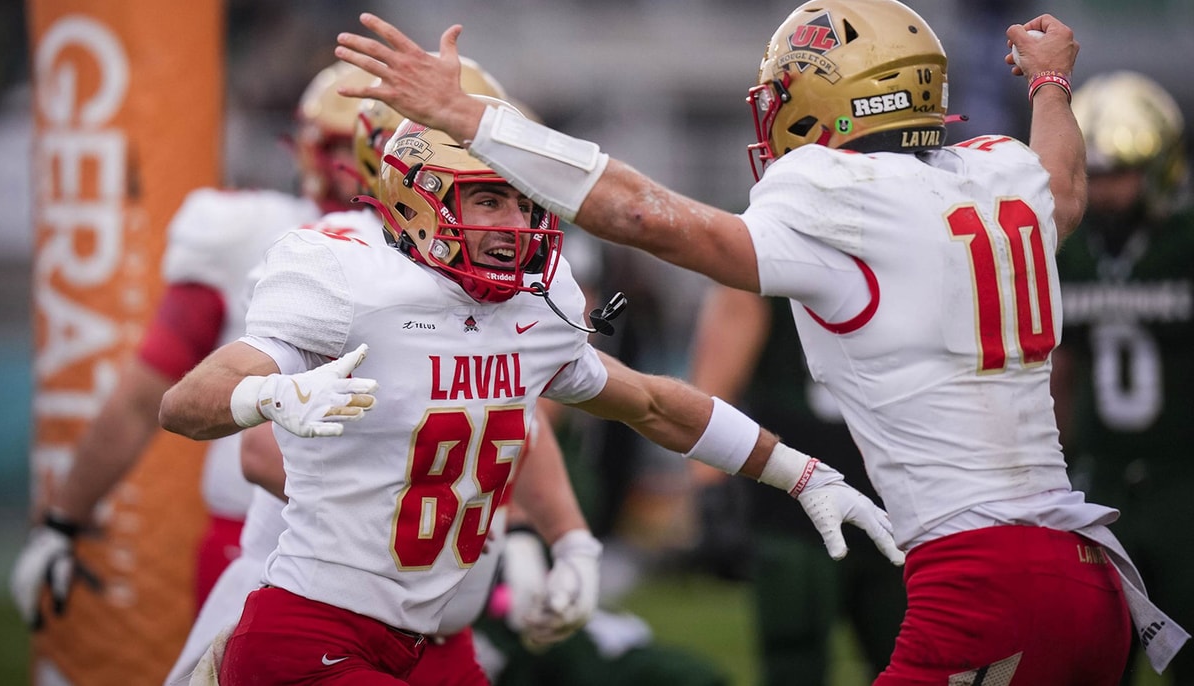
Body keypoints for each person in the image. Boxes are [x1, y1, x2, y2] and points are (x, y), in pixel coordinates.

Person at [333, 1, 1190, 682]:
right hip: (1089, 576)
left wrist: (471, 119)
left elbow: (649, 219)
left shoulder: (837, 189)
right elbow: (1063, 189)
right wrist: (1050, 86)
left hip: (983, 576)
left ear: (832, 96)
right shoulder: (998, 170)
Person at [156, 93, 900, 683]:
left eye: (528, 204)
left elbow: (650, 403)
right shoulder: (350, 281)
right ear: (421, 199)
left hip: (431, 642)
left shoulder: (534, 310)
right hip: (313, 630)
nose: (518, 225)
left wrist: (798, 473)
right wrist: (266, 397)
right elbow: (181, 406)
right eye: (489, 201)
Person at [166, 67, 571, 686]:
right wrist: (431, 524)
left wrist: (554, 536)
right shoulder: (343, 261)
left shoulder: (484, 275)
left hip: (428, 617)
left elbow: (514, 407)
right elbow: (252, 444)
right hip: (318, 601)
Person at [8, 59, 374, 631]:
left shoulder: (454, 266)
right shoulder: (258, 234)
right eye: (351, 148)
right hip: (270, 534)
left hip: (418, 542)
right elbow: (143, 397)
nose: (365, 168)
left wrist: (519, 528)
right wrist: (63, 519)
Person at [1051, 71, 1194, 684]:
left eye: (1121, 174)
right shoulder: (1068, 253)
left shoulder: (1184, 245)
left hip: (1183, 481)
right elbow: (1057, 373)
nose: (1106, 191)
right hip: (1099, 485)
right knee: (1092, 660)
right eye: (1098, 174)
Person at [687, 285, 904, 684]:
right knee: (795, 660)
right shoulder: (769, 252)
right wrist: (709, 487)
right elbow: (717, 379)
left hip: (889, 488)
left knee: (916, 657)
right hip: (797, 492)